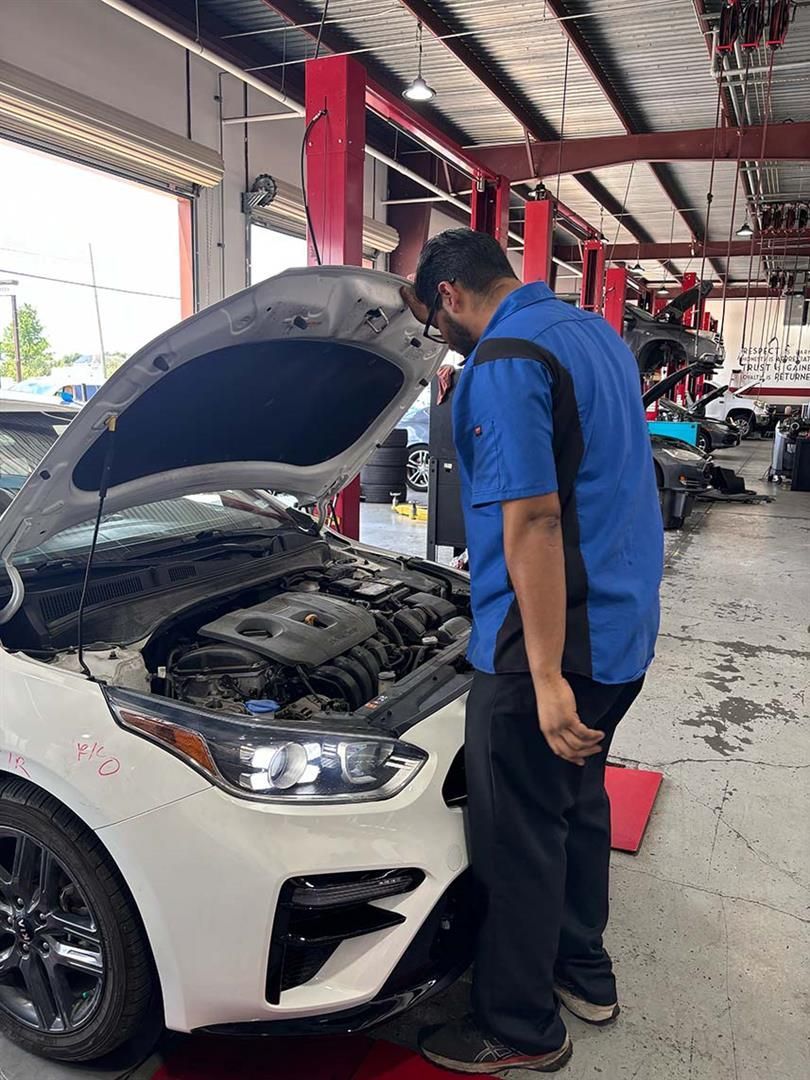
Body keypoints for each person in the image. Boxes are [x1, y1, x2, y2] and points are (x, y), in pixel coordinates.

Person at [401, 228, 664, 1075]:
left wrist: (545, 675)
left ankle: (517, 1025)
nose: (441, 341)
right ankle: (583, 971)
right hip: (622, 625)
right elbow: (590, 474)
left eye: (434, 321)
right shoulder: (593, 334)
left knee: (515, 830)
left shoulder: (503, 360)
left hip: (550, 641)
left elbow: (539, 518)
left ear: (448, 294)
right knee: (578, 804)